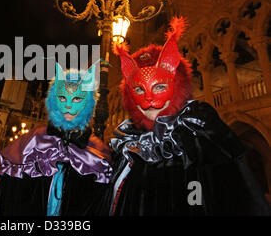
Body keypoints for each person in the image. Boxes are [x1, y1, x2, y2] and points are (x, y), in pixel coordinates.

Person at [109, 16, 270, 215]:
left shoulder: (202, 136)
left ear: (177, 86)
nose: (149, 99)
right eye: (139, 90)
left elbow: (242, 202)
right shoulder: (129, 145)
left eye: (159, 86)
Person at [0, 63, 113, 216]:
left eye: (77, 99)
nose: (68, 105)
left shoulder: (98, 152)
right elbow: (5, 201)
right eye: (62, 97)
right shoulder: (32, 142)